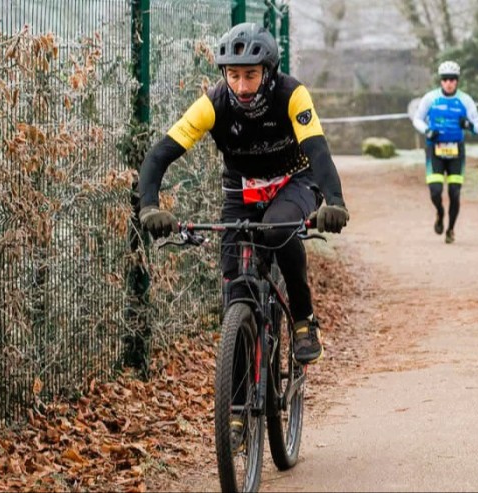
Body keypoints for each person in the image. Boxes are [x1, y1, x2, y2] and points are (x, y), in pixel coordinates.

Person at [137, 22, 349, 365]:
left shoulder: (292, 95)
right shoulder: (214, 103)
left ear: (269, 72)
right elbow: (159, 154)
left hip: (295, 179)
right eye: (233, 75)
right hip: (244, 187)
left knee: (278, 229)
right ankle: (238, 374)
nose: (241, 86)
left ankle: (303, 320)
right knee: (236, 278)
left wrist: (335, 202)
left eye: (250, 75)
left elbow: (318, 150)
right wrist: (149, 207)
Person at [412, 61, 478, 244]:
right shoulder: (430, 98)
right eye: (445, 79)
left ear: (457, 80)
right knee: (435, 191)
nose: (449, 83)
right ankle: (440, 212)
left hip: (456, 152)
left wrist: (468, 125)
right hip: (434, 150)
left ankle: (450, 229)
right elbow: (417, 119)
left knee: (454, 193)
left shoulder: (465, 100)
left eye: (452, 79)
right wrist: (427, 130)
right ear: (441, 80)